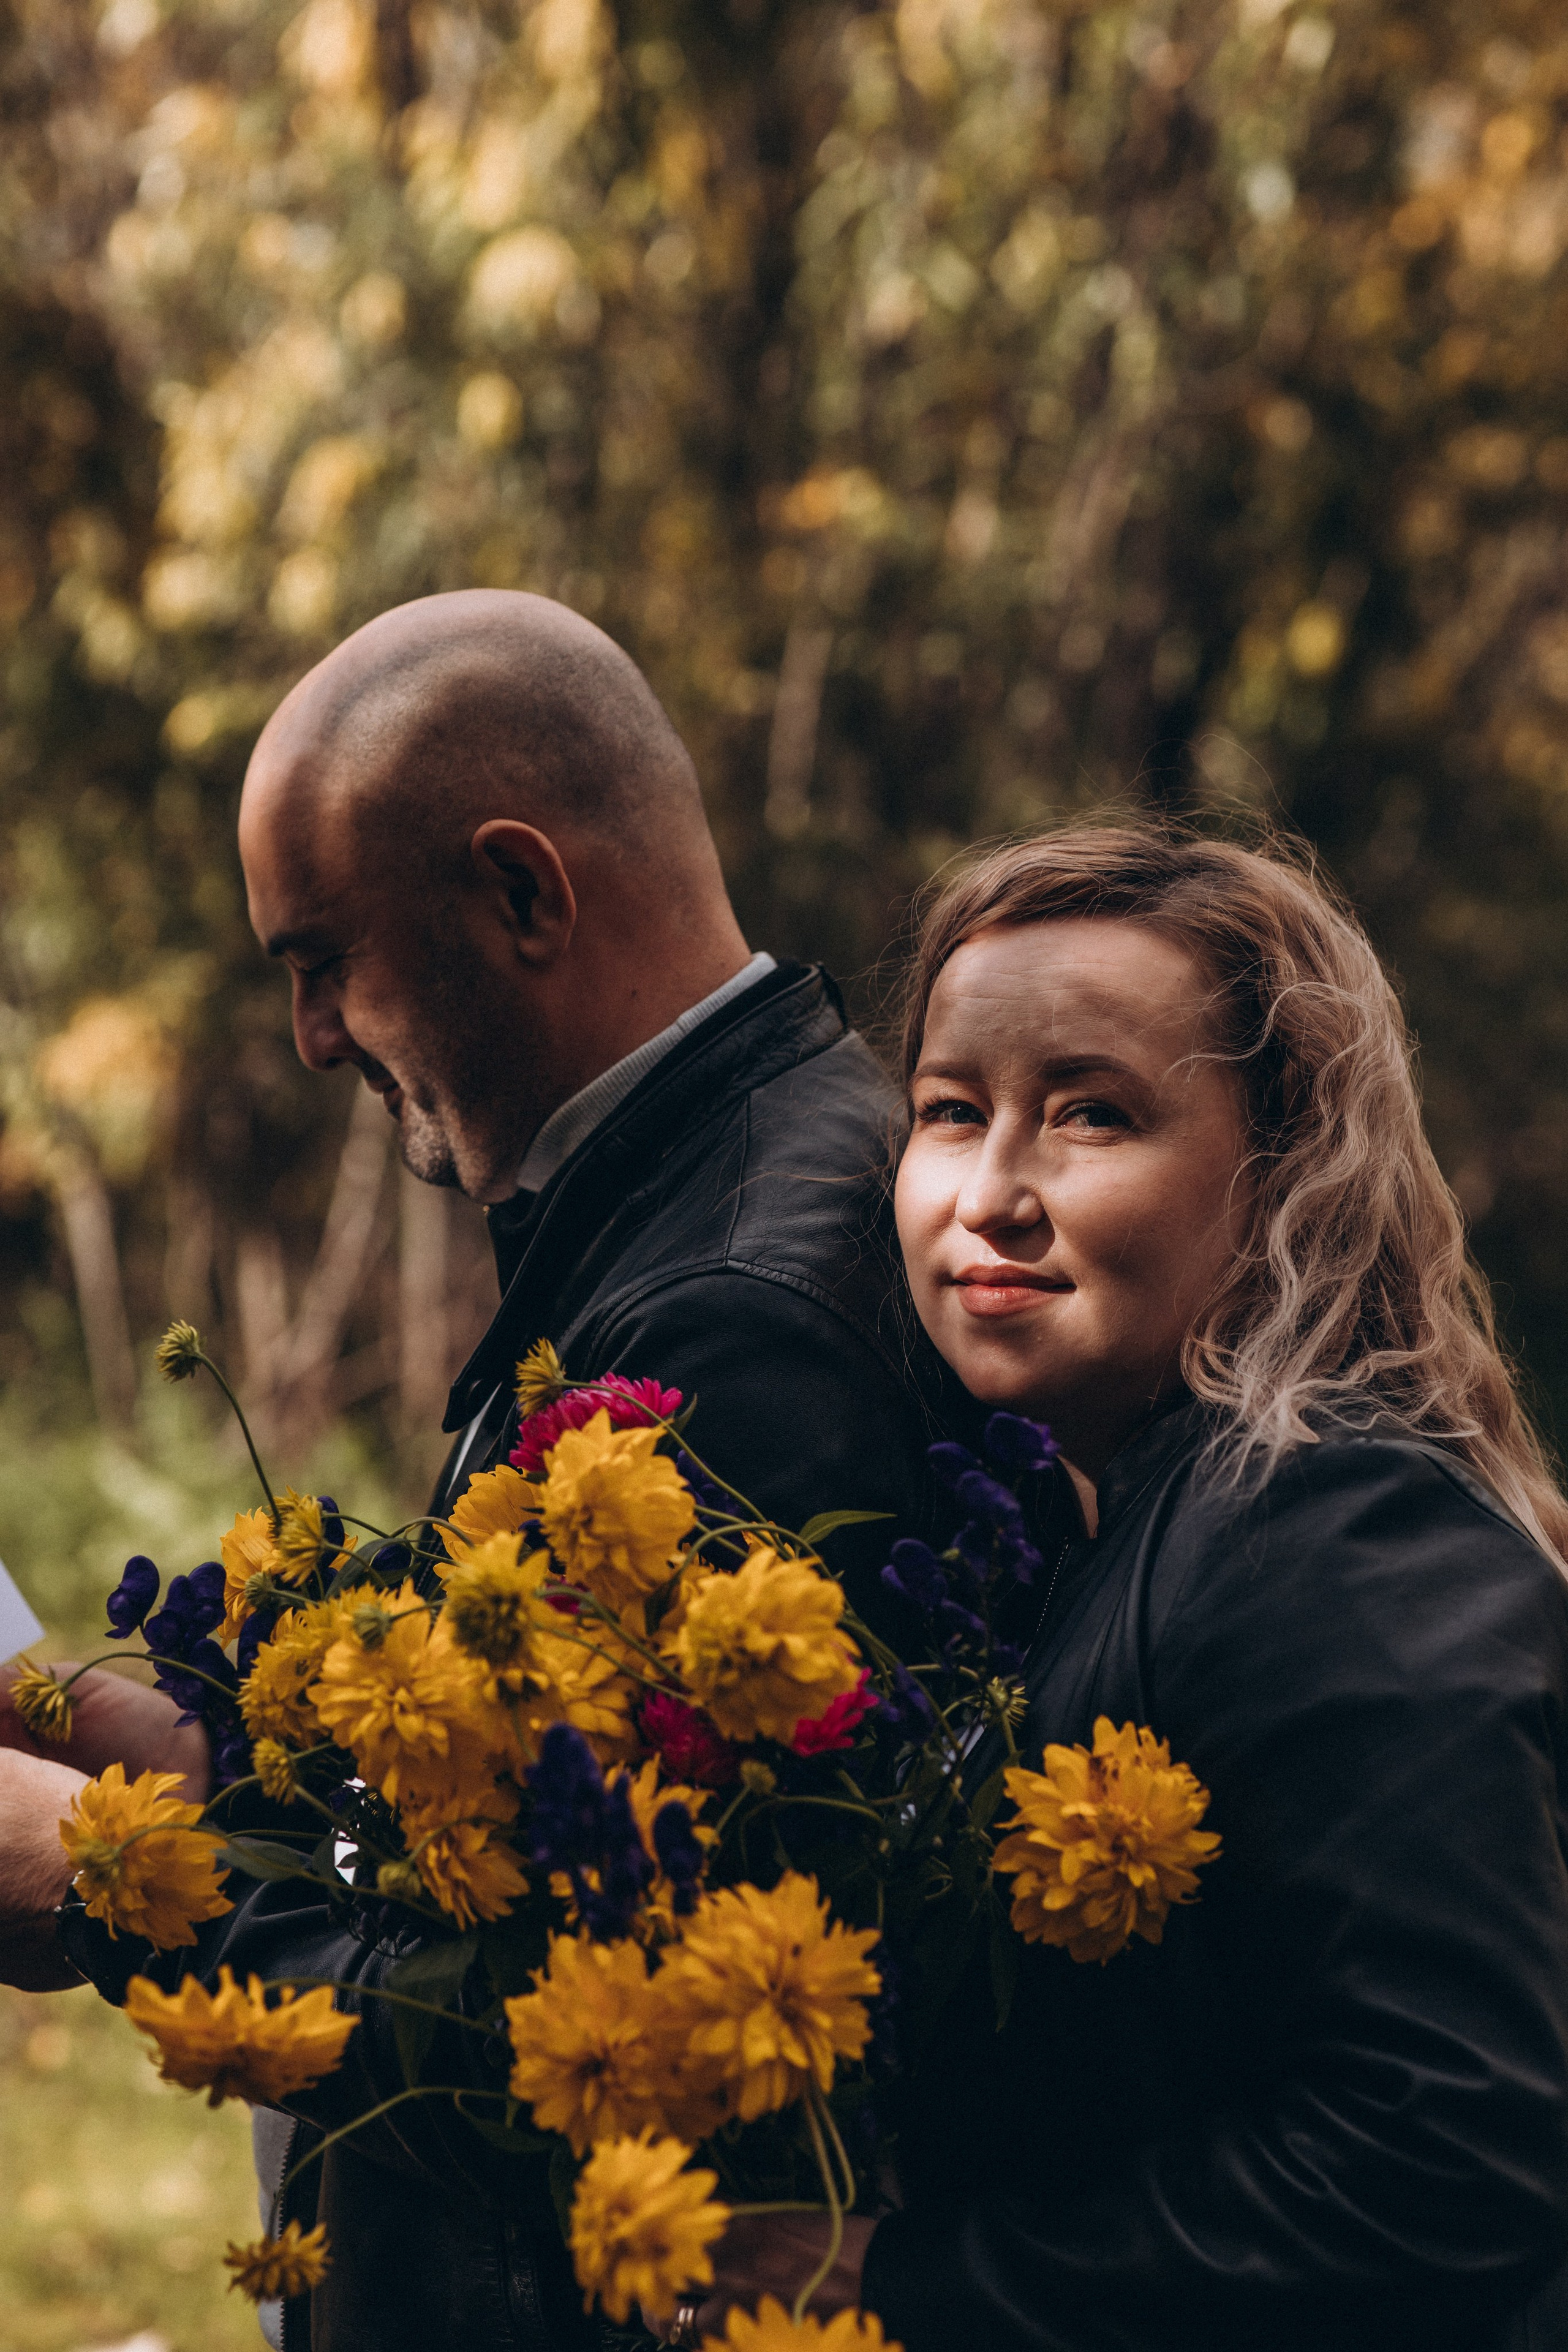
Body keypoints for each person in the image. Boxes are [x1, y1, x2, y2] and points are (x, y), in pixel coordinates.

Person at [0, 590, 963, 2352]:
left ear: (523, 894)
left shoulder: (737, 1310)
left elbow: (595, 2028)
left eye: (319, 959)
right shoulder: (686, 1200)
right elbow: (508, 1838)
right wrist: (182, 1751)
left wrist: (106, 1875)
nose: (308, 1039)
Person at [692, 825, 1568, 2350]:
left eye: (1091, 1116)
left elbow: (1456, 2159)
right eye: (951, 1110)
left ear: (1287, 1170)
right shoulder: (1118, 1514)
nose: (991, 1189)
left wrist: (898, 2282)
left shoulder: (1332, 1524)